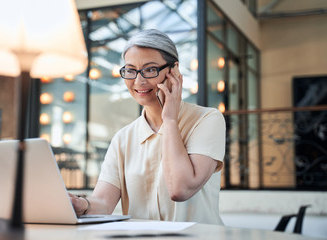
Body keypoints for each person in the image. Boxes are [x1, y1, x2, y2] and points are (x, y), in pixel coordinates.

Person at [69, 29, 226, 225]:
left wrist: (169, 120)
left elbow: (180, 188)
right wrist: (81, 204)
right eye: (130, 70)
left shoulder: (207, 120)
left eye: (150, 69)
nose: (138, 80)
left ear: (174, 71)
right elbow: (103, 202)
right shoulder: (123, 138)